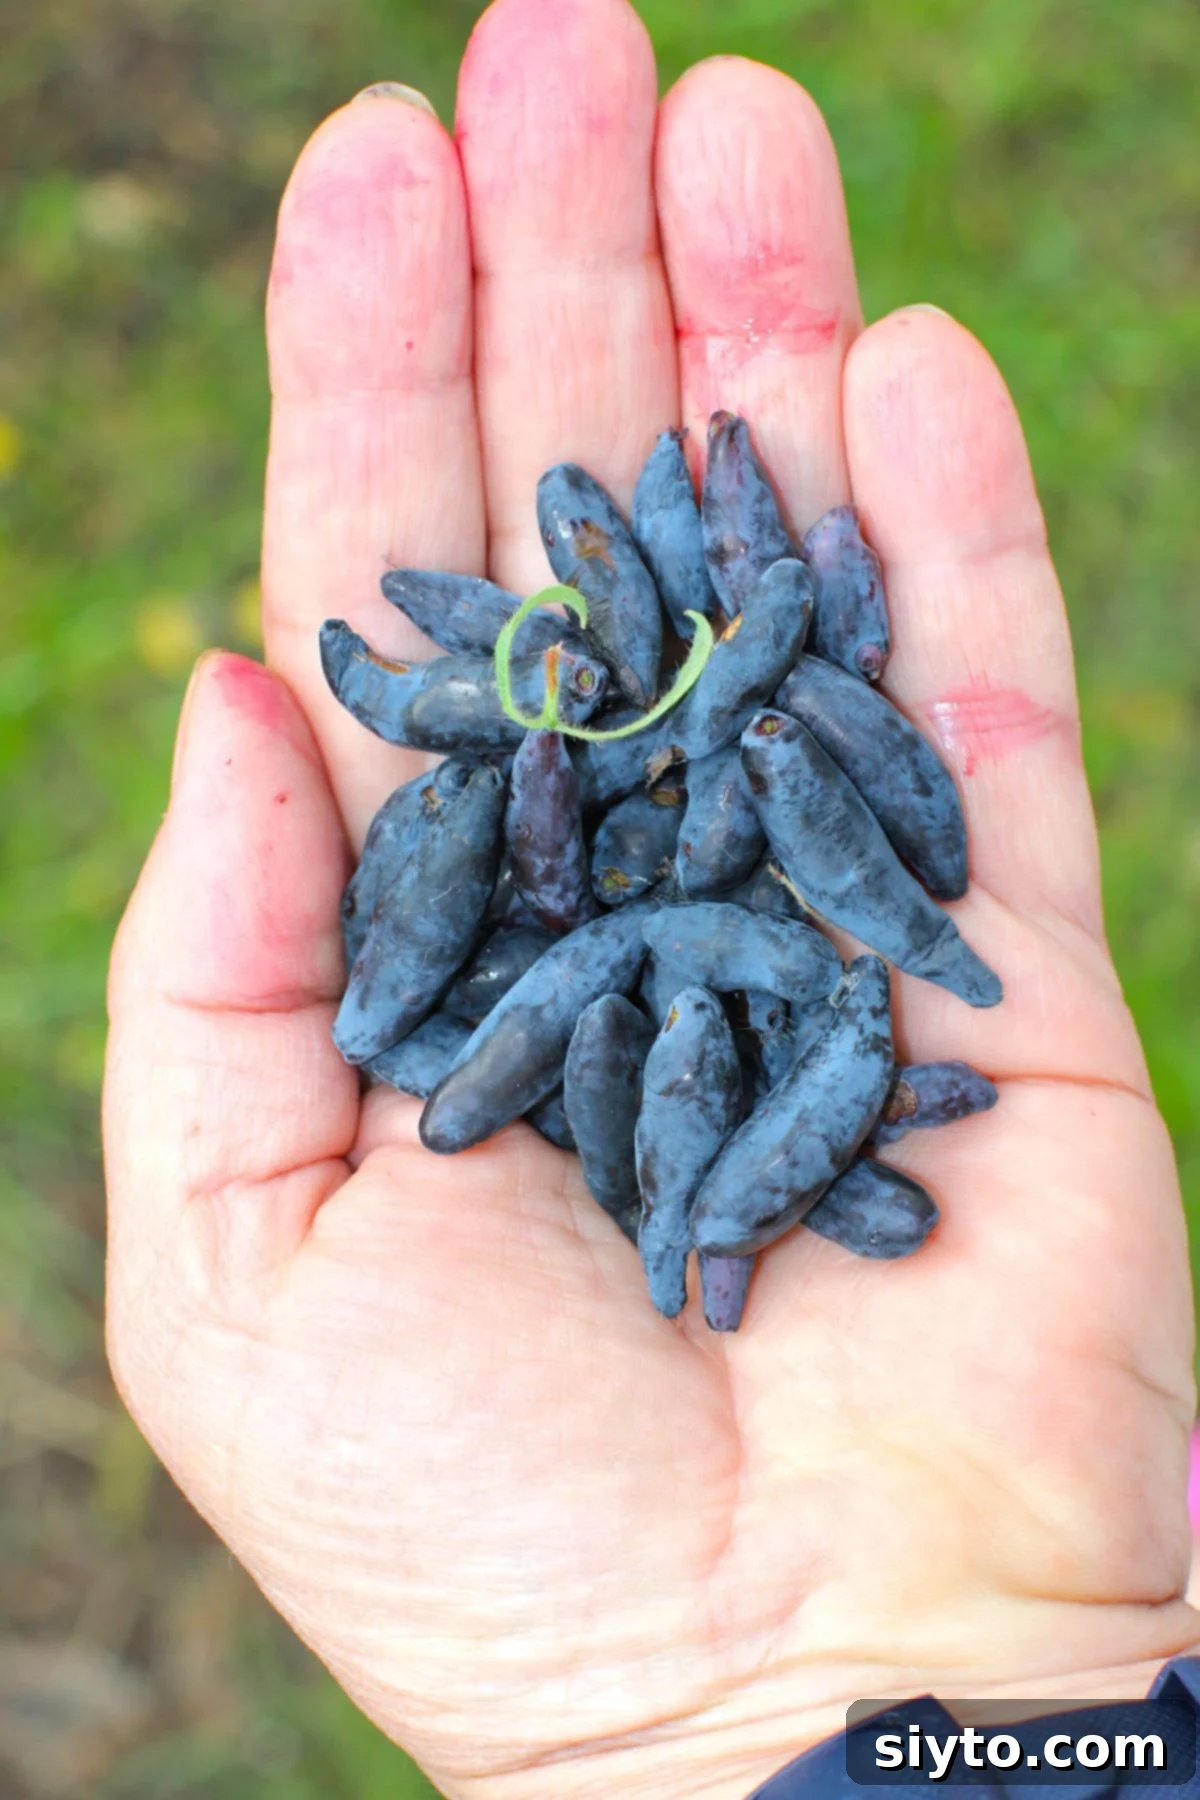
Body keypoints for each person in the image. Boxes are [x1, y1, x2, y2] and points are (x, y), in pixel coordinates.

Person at [101, 0, 1200, 1793]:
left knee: (681, 959)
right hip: (682, 929)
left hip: (716, 928)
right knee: (615, 969)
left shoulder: (722, 836)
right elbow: (465, 998)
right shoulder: (621, 868)